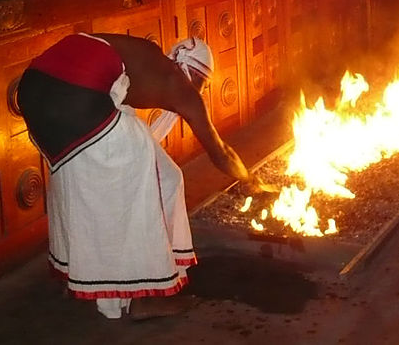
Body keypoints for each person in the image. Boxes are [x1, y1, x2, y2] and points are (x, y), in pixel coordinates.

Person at [18, 34, 265, 321]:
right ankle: (141, 299)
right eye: (200, 84)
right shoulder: (177, 83)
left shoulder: (143, 58)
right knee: (135, 199)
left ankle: (79, 275)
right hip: (75, 102)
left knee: (139, 180)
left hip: (33, 91)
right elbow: (219, 151)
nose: (197, 91)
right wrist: (250, 179)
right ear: (191, 72)